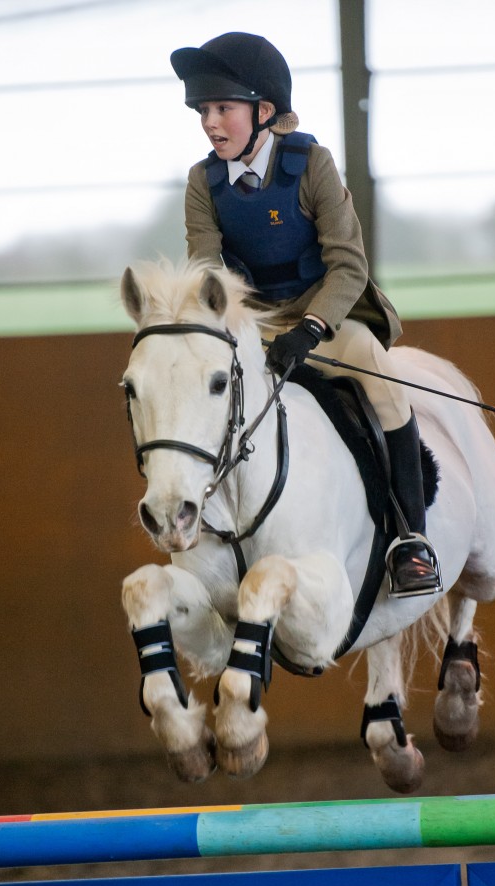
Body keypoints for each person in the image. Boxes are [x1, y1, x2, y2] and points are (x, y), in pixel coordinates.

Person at [170, 32, 441, 597]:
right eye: (203, 111)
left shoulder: (312, 164)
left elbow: (349, 267)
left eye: (222, 108)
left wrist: (310, 329)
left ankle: (412, 539)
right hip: (254, 320)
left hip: (325, 313)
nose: (209, 122)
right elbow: (206, 272)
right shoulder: (203, 182)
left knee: (383, 380)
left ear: (264, 110)